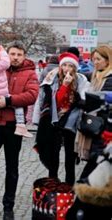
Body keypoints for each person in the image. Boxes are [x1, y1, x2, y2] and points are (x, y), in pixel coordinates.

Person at [0, 42, 39, 220]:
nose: (16, 57)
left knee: (12, 166)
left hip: (14, 126)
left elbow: (32, 95)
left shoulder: (30, 73)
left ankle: (8, 205)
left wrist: (8, 100)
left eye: (20, 54)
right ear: (7, 54)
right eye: (13, 54)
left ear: (24, 55)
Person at [33, 52, 89, 187]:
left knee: (70, 156)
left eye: (70, 65)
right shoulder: (51, 79)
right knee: (53, 155)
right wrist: (64, 85)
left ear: (75, 68)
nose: (67, 68)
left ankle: (69, 187)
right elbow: (52, 102)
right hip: (54, 121)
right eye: (64, 65)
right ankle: (53, 184)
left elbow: (84, 100)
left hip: (72, 122)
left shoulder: (81, 80)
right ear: (60, 66)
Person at [76, 45, 112, 179]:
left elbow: (97, 103)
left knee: (94, 168)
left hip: (104, 130)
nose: (95, 62)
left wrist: (81, 102)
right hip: (97, 127)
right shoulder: (96, 76)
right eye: (93, 59)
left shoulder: (109, 78)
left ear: (107, 61)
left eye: (98, 59)